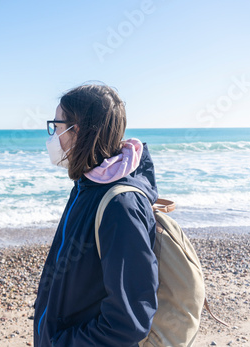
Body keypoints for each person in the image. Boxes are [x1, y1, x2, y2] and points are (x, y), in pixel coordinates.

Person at [33, 83, 159, 346]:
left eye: (56, 127)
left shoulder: (120, 205)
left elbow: (129, 321)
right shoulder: (87, 186)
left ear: (78, 130)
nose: (52, 137)